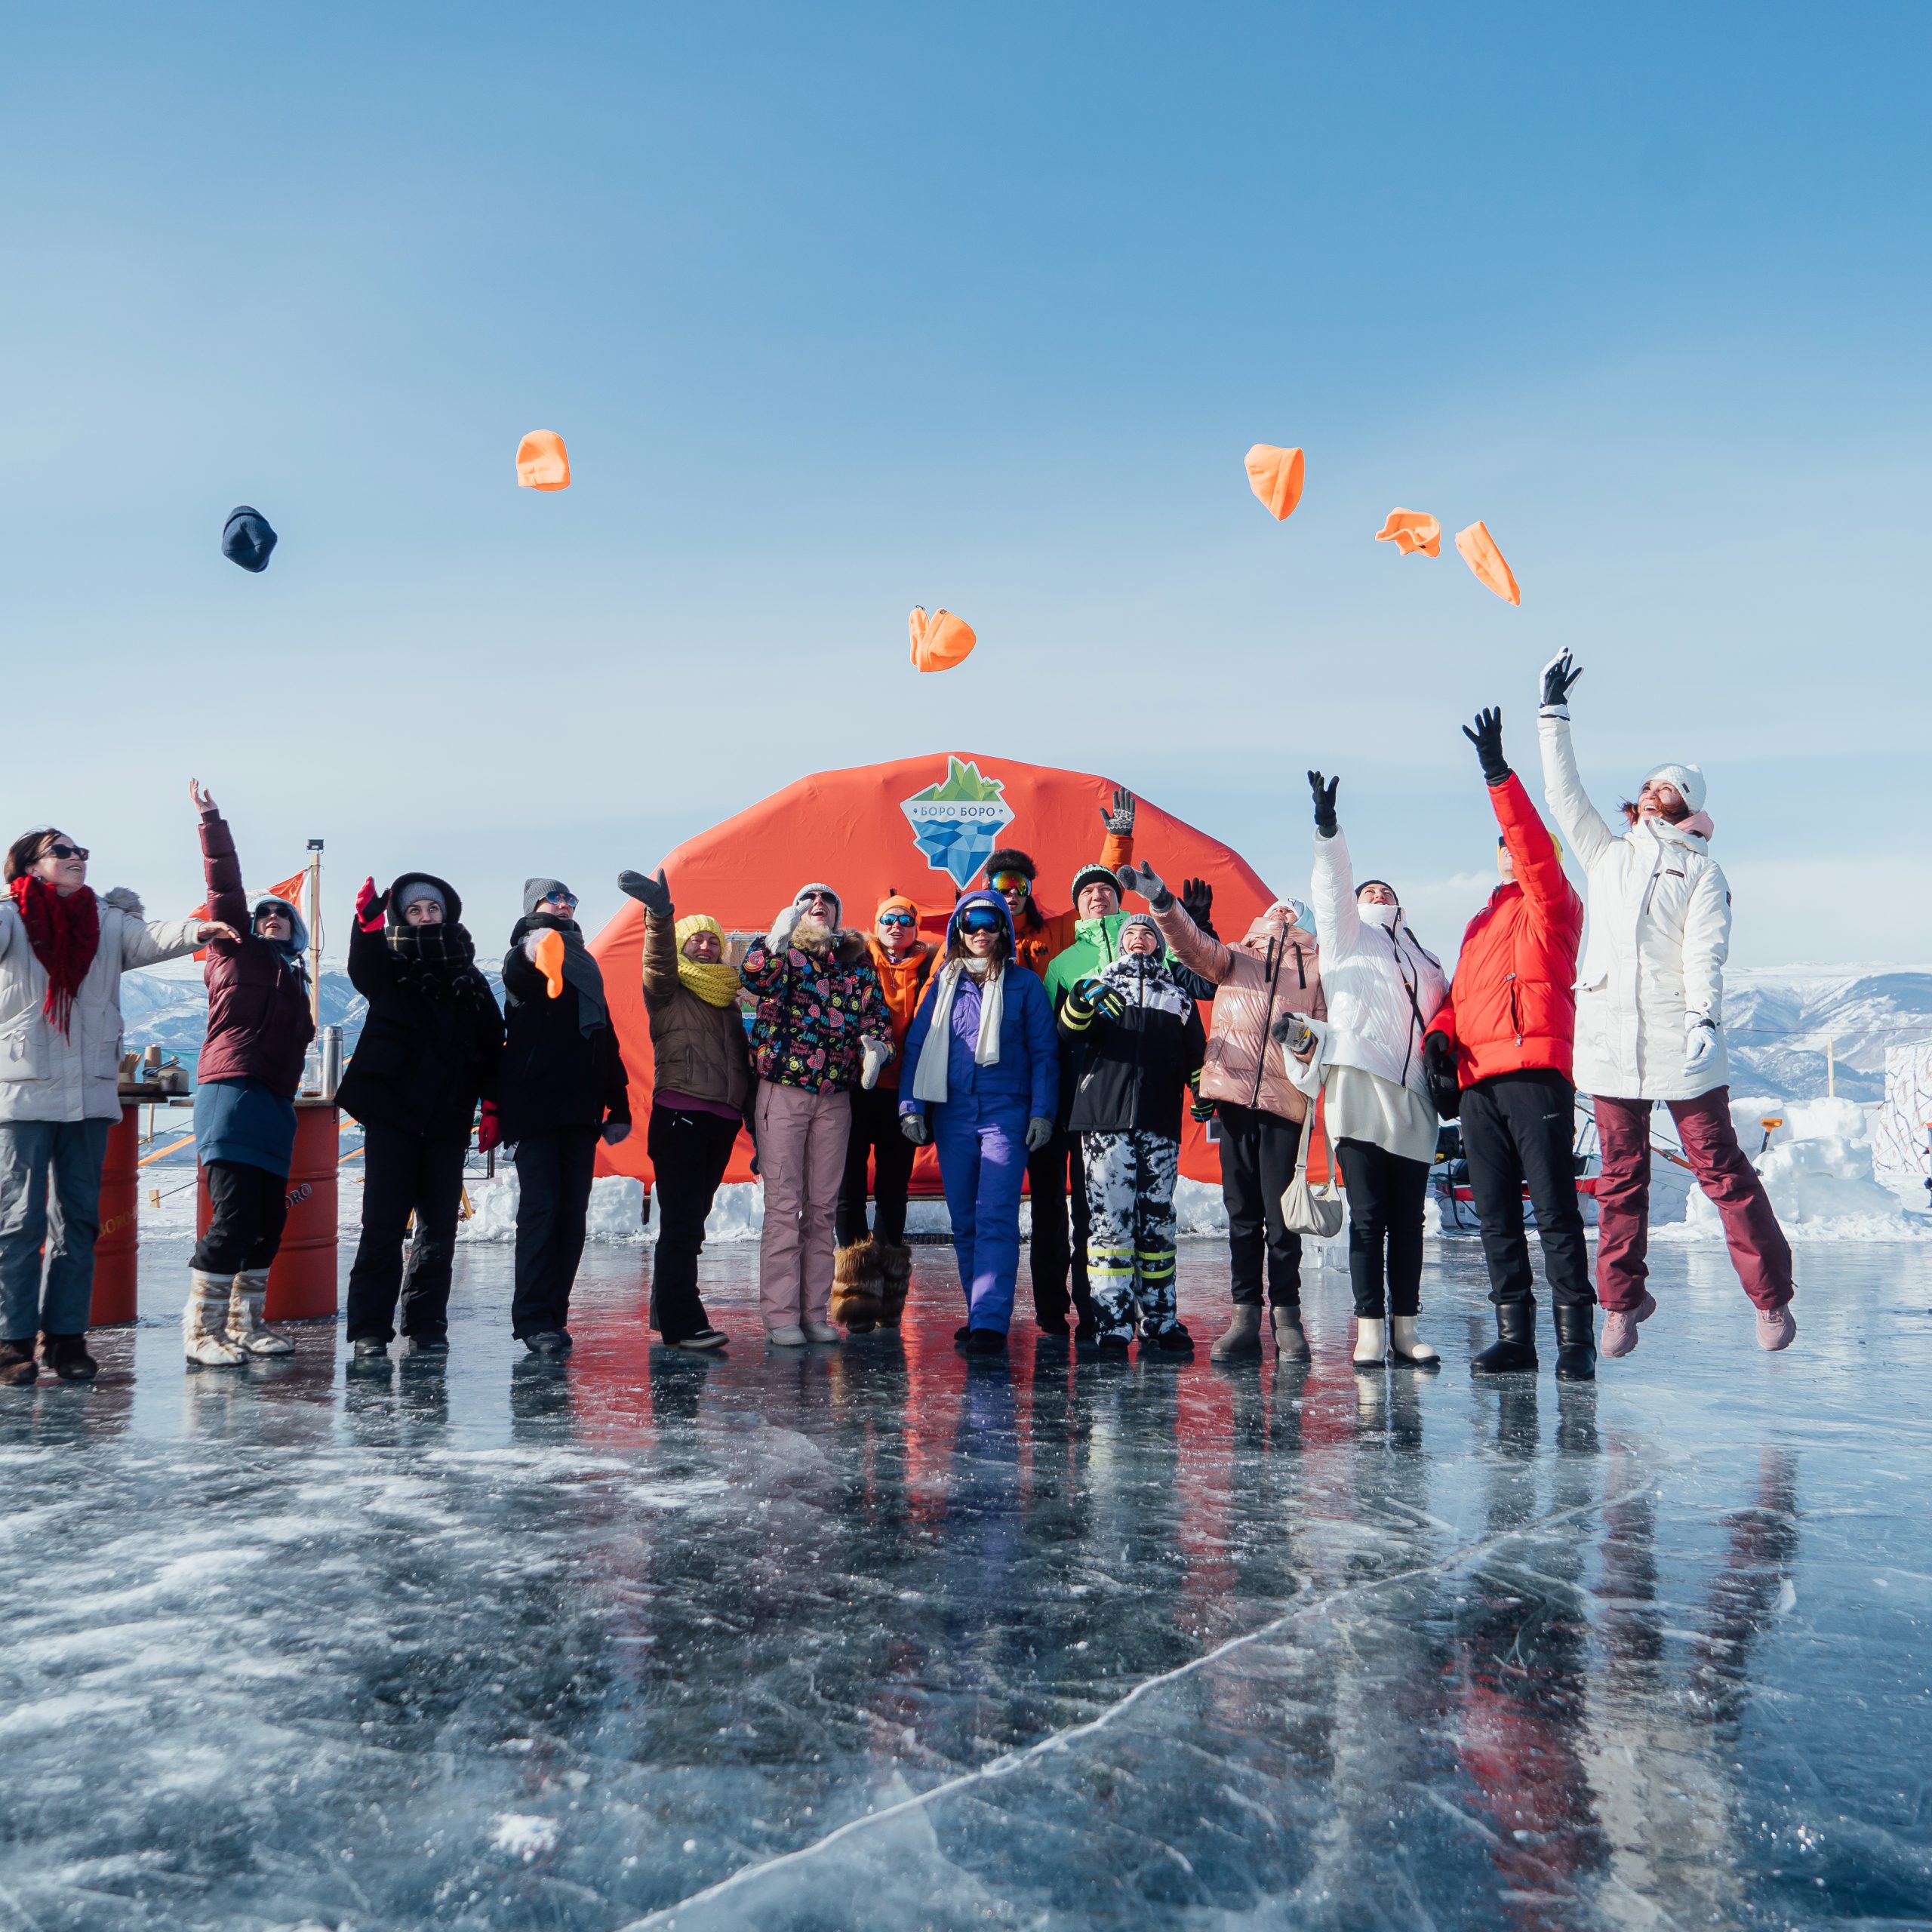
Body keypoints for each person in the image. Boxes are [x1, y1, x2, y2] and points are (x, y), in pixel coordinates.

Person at [1537, 651, 1796, 1353]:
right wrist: (1552, 716)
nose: (1652, 791)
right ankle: (1620, 1303)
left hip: (1682, 1043)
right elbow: (1565, 796)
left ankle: (1770, 1297)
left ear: (1688, 802)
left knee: (1721, 1169)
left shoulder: (1703, 873)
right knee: (1620, 1178)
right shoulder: (1607, 855)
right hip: (1612, 1042)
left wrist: (1703, 1019)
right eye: (1649, 783)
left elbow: (1704, 951)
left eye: (1668, 786)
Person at [0, 826, 226, 1385]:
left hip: (91, 1092)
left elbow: (153, 937)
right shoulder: (9, 914)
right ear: (29, 865)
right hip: (21, 1092)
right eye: (63, 852)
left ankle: (67, 1340)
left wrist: (201, 929)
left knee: (78, 1222)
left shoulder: (107, 921)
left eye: (82, 852)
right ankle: (11, 1342)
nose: (77, 859)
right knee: (17, 1222)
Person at [1423, 709, 1595, 1380]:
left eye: (1516, 845)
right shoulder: (1477, 923)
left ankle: (1574, 1339)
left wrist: (1498, 774)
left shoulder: (1553, 907)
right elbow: (1458, 1000)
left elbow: (1531, 846)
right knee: (1494, 1214)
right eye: (1499, 843)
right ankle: (1515, 1336)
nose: (1508, 848)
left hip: (1535, 1072)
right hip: (1478, 1083)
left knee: (1553, 1209)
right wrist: (1440, 1039)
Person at [1119, 860, 1324, 1362]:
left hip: (1286, 1103)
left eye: (1294, 910)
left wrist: (1299, 1039)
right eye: (1277, 907)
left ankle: (1287, 1317)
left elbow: (1325, 1036)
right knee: (1241, 1213)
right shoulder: (1234, 958)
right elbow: (1190, 948)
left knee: (1281, 1219)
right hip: (1233, 1098)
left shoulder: (1319, 970)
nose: (1283, 910)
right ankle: (1244, 1318)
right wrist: (1164, 904)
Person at [1289, 771, 1448, 1368]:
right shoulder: (1347, 939)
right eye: (1369, 890)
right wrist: (1328, 832)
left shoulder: (1426, 958)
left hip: (1414, 1100)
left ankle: (1405, 1328)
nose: (1377, 894)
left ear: (1401, 904)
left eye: (1386, 891)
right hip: (1359, 1085)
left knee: (1409, 1220)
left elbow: (1448, 1016)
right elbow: (1332, 889)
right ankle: (1369, 1329)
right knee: (1369, 1217)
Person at [986, 785, 1136, 1335]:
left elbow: (1100, 909)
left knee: (1085, 1205)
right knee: (1043, 1207)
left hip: (1067, 1089)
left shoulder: (1055, 935)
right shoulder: (975, 938)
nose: (1013, 894)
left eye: (1021, 886)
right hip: (1008, 1094)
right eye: (1002, 886)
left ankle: (1091, 1301)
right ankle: (1050, 1310)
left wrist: (1117, 843)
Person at [340, 870, 503, 1361]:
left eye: (433, 909)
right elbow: (362, 967)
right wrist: (365, 924)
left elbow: (492, 1045)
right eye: (415, 910)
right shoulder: (390, 965)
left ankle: (427, 1322)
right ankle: (370, 1329)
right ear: (401, 917)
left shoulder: (470, 978)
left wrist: (493, 1103)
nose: (426, 916)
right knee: (383, 1225)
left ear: (447, 913)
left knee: (439, 1228)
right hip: (394, 1115)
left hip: (448, 1118)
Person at [181, 782, 318, 1366]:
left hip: (274, 1103)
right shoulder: (232, 953)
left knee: (267, 1222)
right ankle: (200, 1332)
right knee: (234, 1217)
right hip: (230, 1091)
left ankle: (246, 1325)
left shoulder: (297, 980)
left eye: (280, 916)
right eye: (262, 916)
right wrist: (212, 820)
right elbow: (225, 886)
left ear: (295, 930)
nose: (269, 919)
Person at [897, 891, 1057, 1355]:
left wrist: (1042, 1111)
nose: (981, 933)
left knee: (995, 1217)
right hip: (953, 1114)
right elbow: (917, 1047)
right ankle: (978, 1312)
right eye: (972, 925)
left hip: (1006, 1111)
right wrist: (911, 1106)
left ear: (1004, 930)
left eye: (990, 924)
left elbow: (1045, 1054)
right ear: (958, 933)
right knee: (965, 1221)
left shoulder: (1024, 985)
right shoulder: (942, 985)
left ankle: (990, 1321)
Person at [740, 882, 893, 1346]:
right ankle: (781, 1316)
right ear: (796, 912)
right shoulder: (781, 956)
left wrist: (876, 1049)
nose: (819, 905)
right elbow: (754, 978)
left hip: (835, 1097)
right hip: (784, 1090)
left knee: (822, 1208)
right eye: (809, 900)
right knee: (785, 1207)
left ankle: (812, 1313)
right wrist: (774, 940)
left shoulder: (855, 967)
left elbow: (877, 1018)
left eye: (828, 900)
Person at [1057, 911, 1206, 1358]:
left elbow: (1196, 1055)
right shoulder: (1099, 983)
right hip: (1104, 1123)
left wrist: (1202, 1091)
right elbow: (1069, 1031)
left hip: (1159, 1122)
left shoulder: (1178, 997)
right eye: (1132, 934)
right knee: (1109, 1224)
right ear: (1121, 945)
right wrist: (1083, 1000)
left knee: (1157, 1223)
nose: (1139, 939)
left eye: (1148, 934)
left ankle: (1160, 1320)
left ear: (1159, 945)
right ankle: (1112, 1323)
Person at [499, 878, 632, 1355]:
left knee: (572, 1215)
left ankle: (555, 1314)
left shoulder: (585, 962)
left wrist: (618, 1103)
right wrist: (541, 949)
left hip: (580, 1106)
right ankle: (533, 1318)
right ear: (534, 905)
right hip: (536, 1104)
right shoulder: (526, 950)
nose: (564, 905)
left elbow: (604, 1038)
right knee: (541, 1211)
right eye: (554, 899)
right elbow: (521, 973)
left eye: (570, 900)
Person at [622, 865, 750, 1352]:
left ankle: (666, 1311)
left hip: (720, 1120)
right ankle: (683, 1323)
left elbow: (743, 1065)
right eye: (695, 940)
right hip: (680, 1115)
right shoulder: (668, 992)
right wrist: (661, 914)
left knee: (691, 1223)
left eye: (712, 941)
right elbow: (656, 961)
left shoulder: (729, 1002)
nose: (705, 947)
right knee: (679, 1224)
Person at [834, 891, 934, 1331]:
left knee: (894, 1190)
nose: (897, 927)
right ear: (877, 925)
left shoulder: (931, 966)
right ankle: (856, 1290)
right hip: (856, 1090)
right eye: (889, 920)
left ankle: (890, 1292)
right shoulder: (854, 959)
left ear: (915, 928)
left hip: (904, 1094)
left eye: (905, 921)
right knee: (849, 1188)